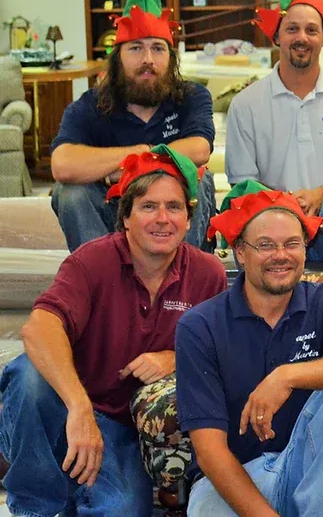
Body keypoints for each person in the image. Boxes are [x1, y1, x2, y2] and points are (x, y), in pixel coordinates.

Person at [0, 145, 228, 516]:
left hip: (123, 428)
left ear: (189, 219)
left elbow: (221, 351)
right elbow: (39, 327)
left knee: (123, 508)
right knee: (28, 377)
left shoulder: (207, 274)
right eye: (148, 206)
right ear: (125, 217)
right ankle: (34, 506)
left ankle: (73, 495)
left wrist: (175, 357)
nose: (162, 219)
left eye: (174, 207)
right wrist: (79, 409)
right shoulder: (91, 260)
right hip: (66, 406)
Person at [177, 182, 323, 516]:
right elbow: (210, 453)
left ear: (305, 249)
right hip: (233, 479)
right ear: (240, 252)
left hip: (305, 473)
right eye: (265, 245)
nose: (281, 255)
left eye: (292, 243)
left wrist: (287, 376)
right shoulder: (199, 325)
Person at [50, 0, 216, 253]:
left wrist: (127, 167)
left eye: (158, 49)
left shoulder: (191, 96)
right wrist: (140, 154)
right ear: (118, 58)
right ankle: (102, 277)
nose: (148, 60)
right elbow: (62, 164)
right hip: (111, 218)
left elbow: (199, 149)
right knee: (69, 192)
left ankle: (182, 278)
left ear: (171, 58)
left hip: (173, 213)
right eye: (136, 48)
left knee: (201, 179)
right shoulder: (91, 104)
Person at [227, 0, 323, 270]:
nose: (302, 38)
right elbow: (242, 184)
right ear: (276, 36)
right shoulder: (245, 105)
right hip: (270, 225)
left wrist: (319, 195)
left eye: (312, 30)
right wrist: (285, 205)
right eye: (292, 29)